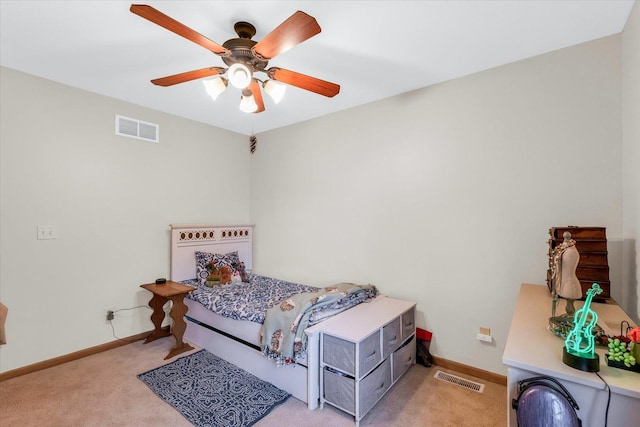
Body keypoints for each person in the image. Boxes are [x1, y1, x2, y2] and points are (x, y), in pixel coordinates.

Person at [551, 232, 582, 315]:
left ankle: (570, 316)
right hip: (564, 284)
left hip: (570, 284)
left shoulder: (571, 252)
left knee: (570, 305)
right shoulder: (562, 249)